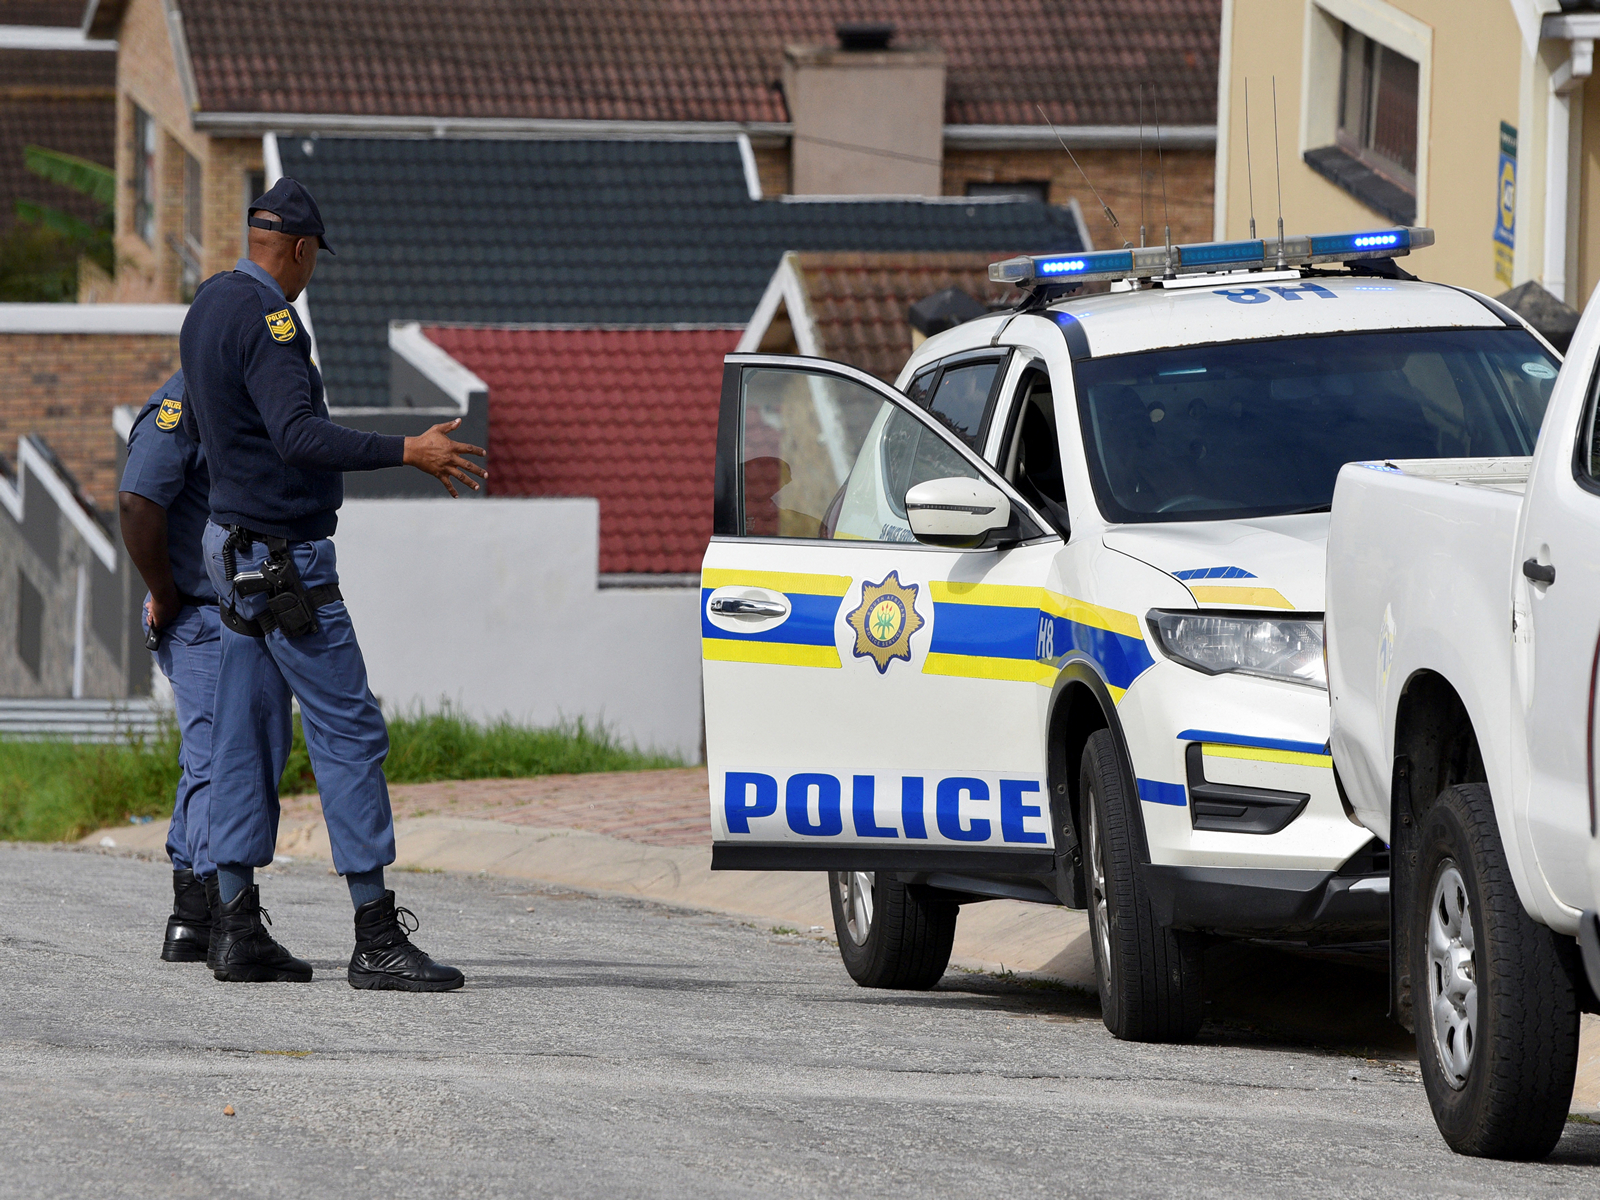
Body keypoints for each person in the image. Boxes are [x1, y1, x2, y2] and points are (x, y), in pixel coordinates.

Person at [180, 177, 486, 989]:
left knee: (243, 737)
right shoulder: (273, 324)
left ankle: (235, 925)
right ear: (304, 250)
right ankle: (376, 936)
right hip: (286, 563)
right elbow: (298, 434)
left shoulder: (208, 303)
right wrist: (406, 451)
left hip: (230, 550)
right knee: (348, 734)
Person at [119, 369, 286, 962]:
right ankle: (228, 919)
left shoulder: (246, 390)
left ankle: (191, 916)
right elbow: (138, 502)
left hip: (244, 611)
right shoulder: (181, 400)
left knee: (210, 759)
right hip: (198, 614)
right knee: (223, 762)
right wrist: (163, 594)